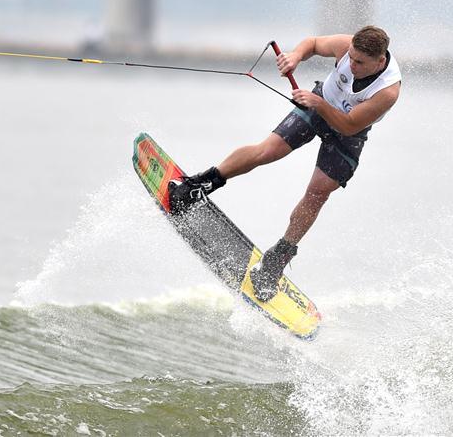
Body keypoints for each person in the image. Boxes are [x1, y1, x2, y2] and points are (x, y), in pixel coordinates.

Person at [168, 25, 401, 301]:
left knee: (318, 193)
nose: (351, 64)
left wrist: (317, 102)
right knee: (267, 151)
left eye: (360, 62)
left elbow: (349, 126)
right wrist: (295, 56)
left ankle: (276, 261)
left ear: (380, 61)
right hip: (318, 103)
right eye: (350, 57)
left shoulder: (388, 92)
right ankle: (199, 185)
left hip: (346, 133)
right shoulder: (345, 45)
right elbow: (313, 43)